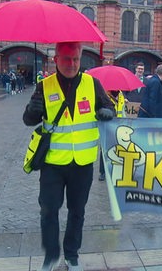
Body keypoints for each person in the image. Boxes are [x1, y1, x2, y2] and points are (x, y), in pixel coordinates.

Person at [22, 41, 115, 271]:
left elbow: (110, 108)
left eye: (75, 59)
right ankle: (52, 255)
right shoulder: (44, 86)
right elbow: (28, 120)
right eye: (66, 59)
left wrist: (107, 112)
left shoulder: (92, 84)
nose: (72, 64)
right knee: (48, 209)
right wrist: (33, 110)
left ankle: (72, 255)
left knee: (77, 211)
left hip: (82, 163)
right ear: (56, 60)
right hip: (53, 163)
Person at [98, 90, 126, 181]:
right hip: (107, 126)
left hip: (119, 125)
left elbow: (122, 110)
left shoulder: (121, 95)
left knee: (118, 148)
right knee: (105, 148)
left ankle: (116, 169)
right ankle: (103, 172)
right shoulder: (103, 94)